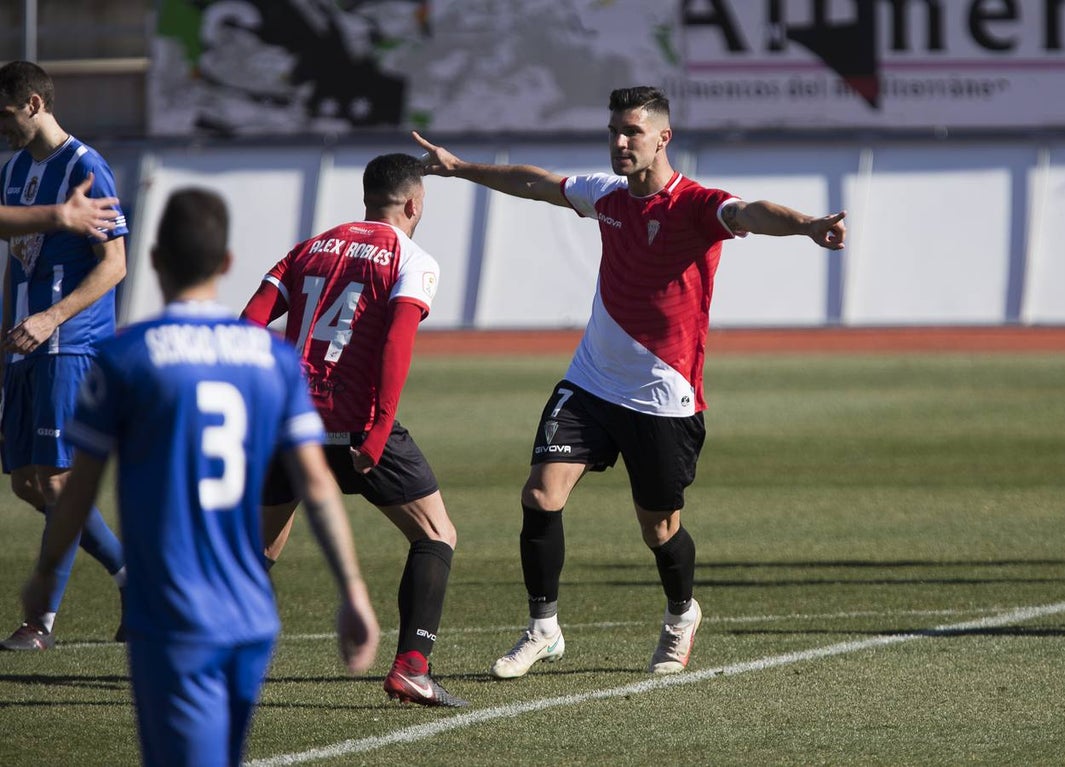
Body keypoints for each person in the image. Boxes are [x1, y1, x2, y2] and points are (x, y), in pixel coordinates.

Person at [413, 85, 847, 679]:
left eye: (632, 132)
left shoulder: (698, 205)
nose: (620, 142)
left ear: (663, 138)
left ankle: (682, 614)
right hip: (590, 382)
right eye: (614, 131)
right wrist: (460, 168)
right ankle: (543, 628)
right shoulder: (607, 195)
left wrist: (807, 225)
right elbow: (536, 182)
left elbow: (751, 213)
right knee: (540, 495)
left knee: (659, 528)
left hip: (663, 396)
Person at [21, 188, 380, 767]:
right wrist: (354, 592)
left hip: (175, 613)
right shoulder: (273, 359)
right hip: (251, 615)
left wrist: (44, 576)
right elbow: (317, 487)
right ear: (227, 263)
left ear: (154, 260)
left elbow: (78, 488)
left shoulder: (127, 357)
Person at [241, 152, 465, 708]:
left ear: (367, 198)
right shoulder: (412, 258)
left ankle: (193, 652)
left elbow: (249, 323)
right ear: (414, 203)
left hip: (289, 425)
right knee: (436, 534)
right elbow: (396, 345)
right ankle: (412, 667)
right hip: (356, 428)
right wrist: (379, 429)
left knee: (261, 548)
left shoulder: (309, 247)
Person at [0, 60, 129, 651]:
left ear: (32, 103)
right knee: (27, 483)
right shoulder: (13, 169)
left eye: (5, 114)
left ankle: (40, 621)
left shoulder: (86, 166)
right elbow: (17, 259)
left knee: (55, 483)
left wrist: (51, 317)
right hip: (24, 343)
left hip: (70, 343)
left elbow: (114, 264)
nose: (1, 127)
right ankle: (133, 577)